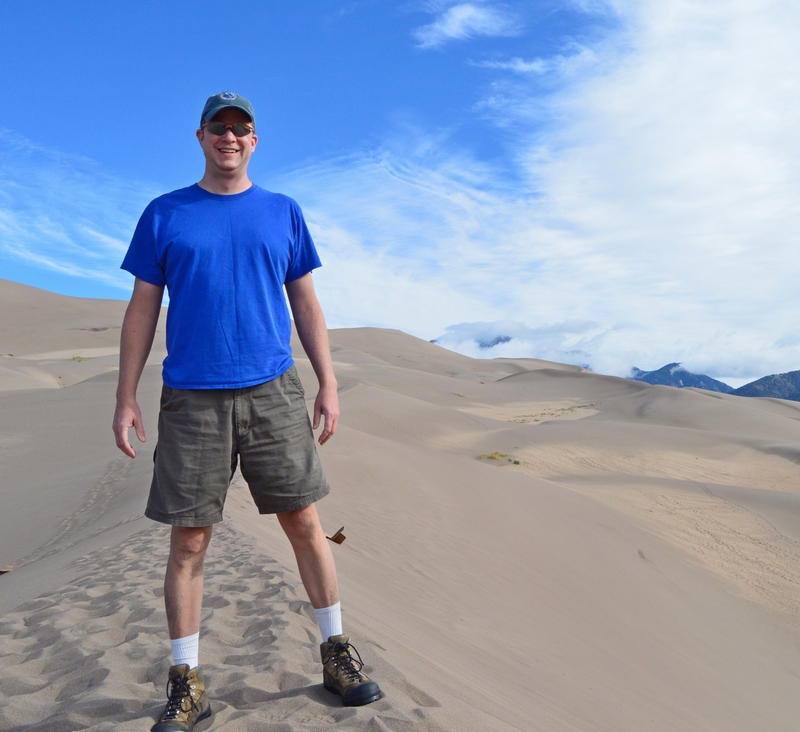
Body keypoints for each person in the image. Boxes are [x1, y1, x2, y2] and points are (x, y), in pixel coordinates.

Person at [112, 91, 381, 732]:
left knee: (304, 524)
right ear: (200, 137)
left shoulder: (282, 212)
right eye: (218, 127)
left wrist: (329, 382)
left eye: (241, 128)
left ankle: (336, 652)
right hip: (192, 399)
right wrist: (125, 395)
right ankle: (187, 682)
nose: (229, 137)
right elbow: (143, 309)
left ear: (254, 139)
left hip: (272, 390)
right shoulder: (165, 214)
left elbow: (306, 306)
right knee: (189, 542)